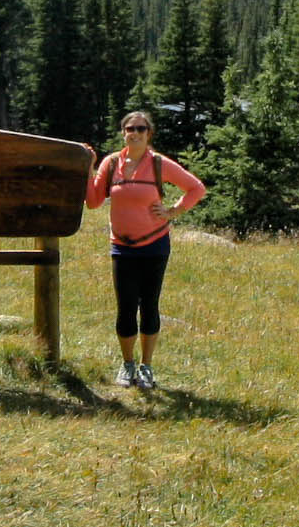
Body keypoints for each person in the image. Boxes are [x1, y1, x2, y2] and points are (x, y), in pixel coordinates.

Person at [86, 111, 205, 391]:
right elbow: (92, 202)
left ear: (149, 133)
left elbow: (196, 188)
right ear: (123, 132)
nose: (135, 133)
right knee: (125, 308)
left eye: (141, 128)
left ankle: (147, 367)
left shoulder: (160, 164)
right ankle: (127, 366)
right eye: (130, 128)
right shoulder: (111, 162)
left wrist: (173, 211)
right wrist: (88, 168)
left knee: (149, 306)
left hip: (155, 244)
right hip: (122, 247)